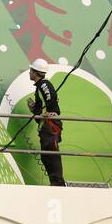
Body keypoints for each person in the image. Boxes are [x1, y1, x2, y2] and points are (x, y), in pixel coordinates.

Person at [28, 58, 65, 186]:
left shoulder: (44, 85)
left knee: (51, 156)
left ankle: (58, 185)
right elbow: (45, 104)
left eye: (31, 70)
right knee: (46, 156)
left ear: (36, 72)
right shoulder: (40, 86)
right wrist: (35, 109)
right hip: (46, 127)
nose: (29, 73)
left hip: (49, 127)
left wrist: (51, 113)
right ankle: (55, 183)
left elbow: (52, 102)